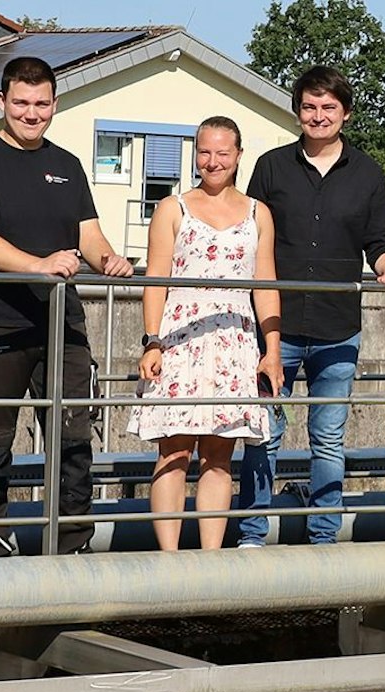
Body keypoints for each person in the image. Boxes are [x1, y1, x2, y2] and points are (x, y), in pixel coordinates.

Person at [0, 56, 135, 557]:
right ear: (1, 102)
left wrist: (110, 260)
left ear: (54, 104)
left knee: (74, 438)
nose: (31, 113)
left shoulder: (68, 165)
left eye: (41, 104)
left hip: (61, 323)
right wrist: (39, 265)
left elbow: (90, 239)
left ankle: (72, 546)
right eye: (21, 103)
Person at [236, 66, 385, 548]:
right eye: (309, 107)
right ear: (297, 112)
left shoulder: (369, 173)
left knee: (328, 438)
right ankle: (252, 535)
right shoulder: (271, 167)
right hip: (275, 325)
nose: (318, 115)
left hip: (338, 328)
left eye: (328, 107)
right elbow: (250, 237)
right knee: (263, 434)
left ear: (345, 114)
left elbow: (380, 240)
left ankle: (324, 537)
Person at [129, 118, 280, 551]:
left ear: (238, 155)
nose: (212, 162)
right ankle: (170, 559)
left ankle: (210, 561)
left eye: (222, 153)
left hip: (234, 341)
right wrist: (152, 339)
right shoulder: (172, 207)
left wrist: (271, 351)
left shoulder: (258, 213)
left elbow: (266, 286)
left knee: (219, 457)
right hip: (180, 340)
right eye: (204, 152)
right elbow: (156, 278)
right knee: (173, 453)